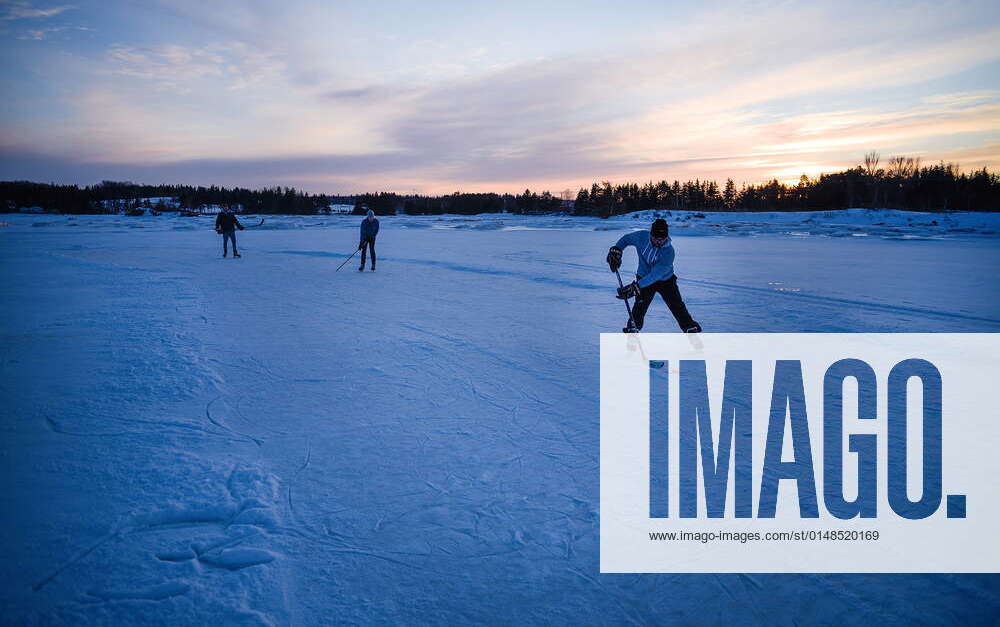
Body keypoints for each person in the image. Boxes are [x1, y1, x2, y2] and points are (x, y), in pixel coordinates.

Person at [606, 218, 701, 333]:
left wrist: (636, 287)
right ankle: (633, 328)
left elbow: (655, 275)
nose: (659, 242)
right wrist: (617, 250)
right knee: (640, 305)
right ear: (651, 235)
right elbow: (626, 239)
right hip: (643, 276)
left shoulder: (669, 252)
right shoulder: (641, 237)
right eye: (656, 238)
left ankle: (689, 327)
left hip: (665, 280)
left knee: (676, 304)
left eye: (663, 239)